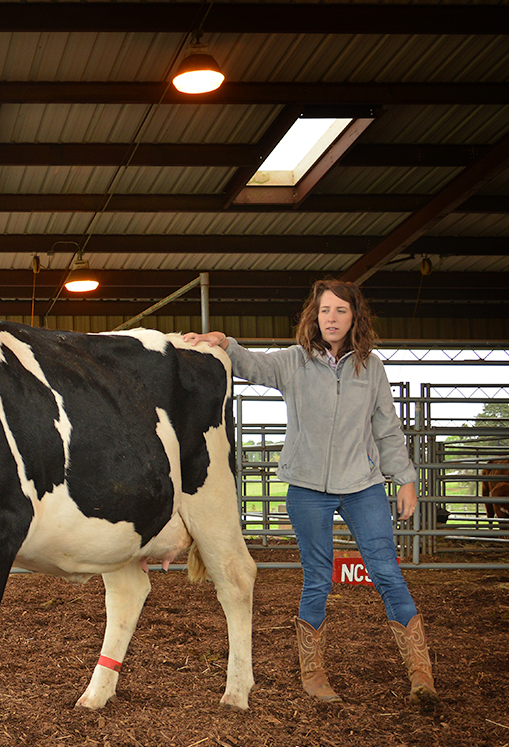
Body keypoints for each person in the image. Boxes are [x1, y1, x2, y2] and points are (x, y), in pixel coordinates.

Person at [184, 279, 438, 712]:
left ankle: (420, 674)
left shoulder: (371, 368)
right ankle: (313, 673)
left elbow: (387, 428)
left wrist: (406, 477)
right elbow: (254, 365)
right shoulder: (294, 362)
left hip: (363, 486)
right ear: (314, 316)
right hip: (306, 490)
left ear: (355, 316)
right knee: (318, 578)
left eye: (341, 310)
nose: (332, 319)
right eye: (325, 311)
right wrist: (225, 342)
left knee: (386, 572)